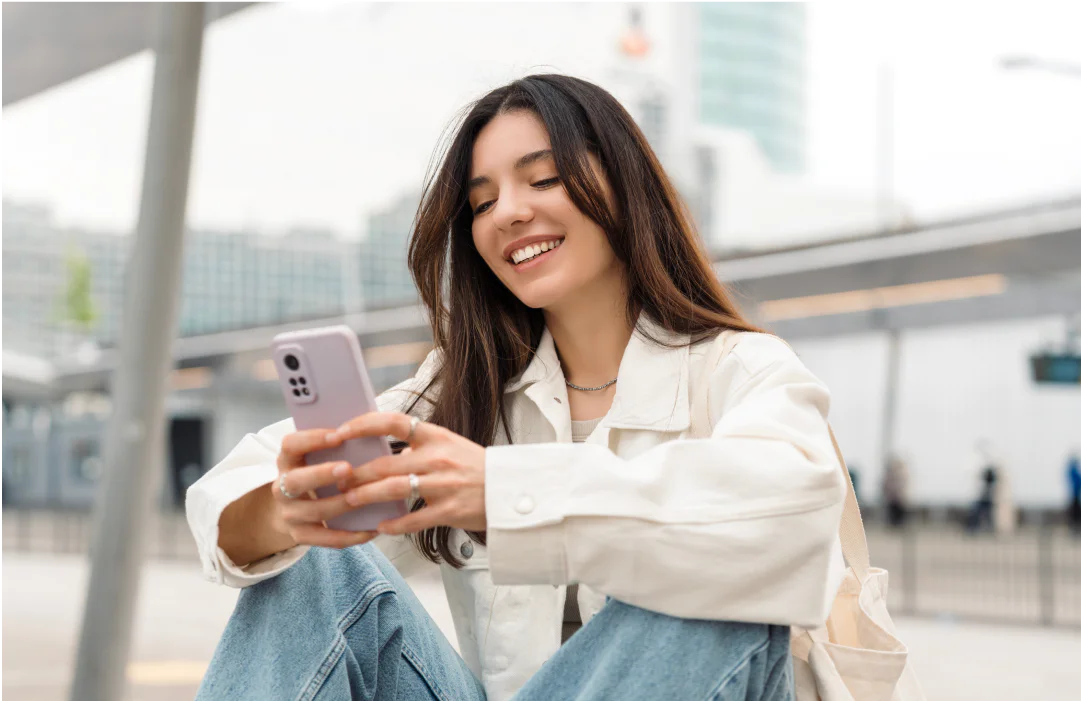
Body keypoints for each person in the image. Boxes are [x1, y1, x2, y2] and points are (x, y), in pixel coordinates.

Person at [186, 75, 847, 701]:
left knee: (714, 578)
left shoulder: (744, 371)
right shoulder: (465, 392)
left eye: (543, 178)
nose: (507, 212)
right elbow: (227, 490)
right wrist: (284, 510)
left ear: (624, 187)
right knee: (315, 562)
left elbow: (789, 525)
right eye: (481, 202)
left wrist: (506, 491)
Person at [881, 454, 909, 529]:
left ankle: (898, 525)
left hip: (899, 499)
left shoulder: (900, 472)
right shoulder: (894, 473)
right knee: (894, 514)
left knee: (899, 515)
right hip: (894, 499)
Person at [1066, 452, 1081, 534]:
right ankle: (1074, 529)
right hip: (1075, 495)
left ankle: (1075, 528)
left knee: (1076, 513)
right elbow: (1077, 482)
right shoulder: (1073, 471)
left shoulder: (1072, 470)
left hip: (1075, 495)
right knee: (1075, 513)